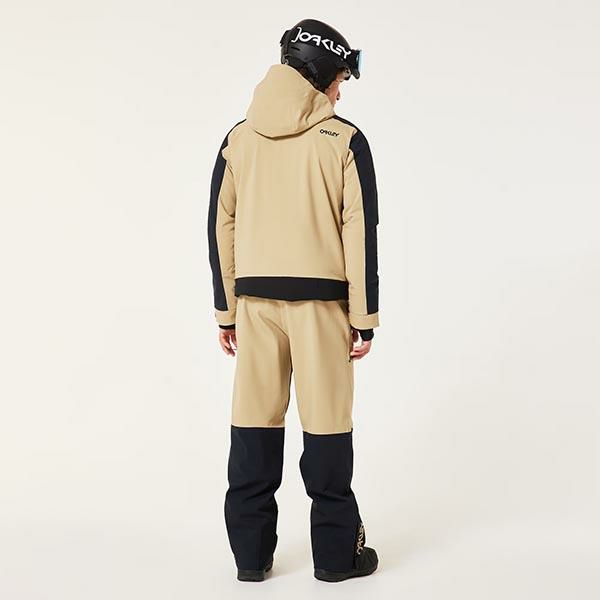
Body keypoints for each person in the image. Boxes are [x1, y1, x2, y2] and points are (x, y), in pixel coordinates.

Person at [207, 18, 380, 583]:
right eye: (340, 80)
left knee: (253, 428)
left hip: (255, 308)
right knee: (327, 429)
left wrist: (227, 311)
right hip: (322, 309)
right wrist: (364, 318)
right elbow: (360, 231)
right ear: (324, 72)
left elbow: (221, 226)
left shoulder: (238, 139)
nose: (340, 94)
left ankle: (250, 558)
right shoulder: (345, 141)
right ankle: (335, 557)